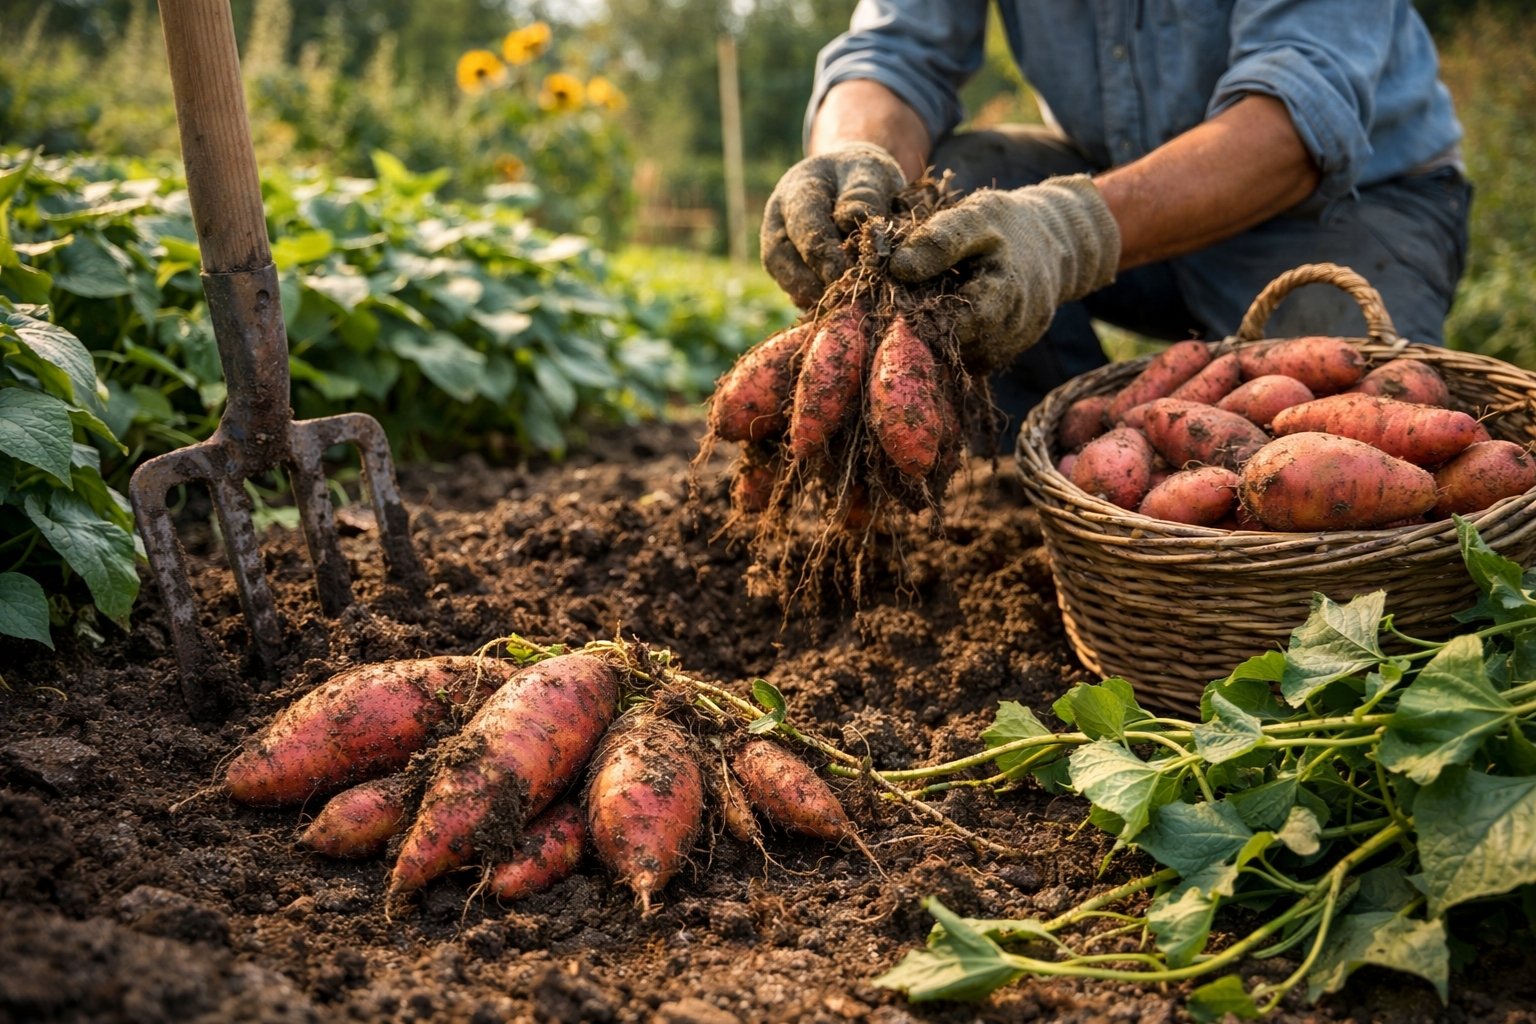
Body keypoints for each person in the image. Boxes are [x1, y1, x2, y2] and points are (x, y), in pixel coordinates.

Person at [760, 1, 1471, 442]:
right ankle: (1056, 462)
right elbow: (891, 53)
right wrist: (856, 159)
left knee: (1352, 439)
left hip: (1344, 211)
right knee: (955, 191)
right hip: (1128, 191)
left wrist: (1066, 232)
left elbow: (1297, 118)